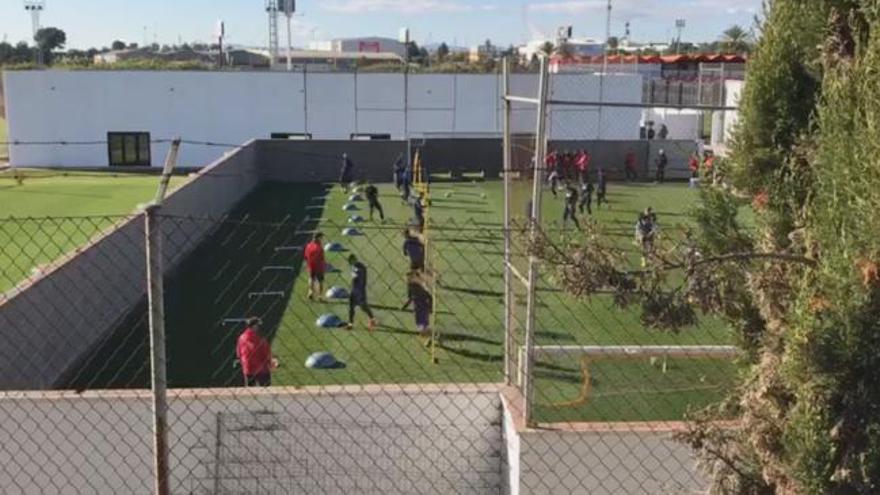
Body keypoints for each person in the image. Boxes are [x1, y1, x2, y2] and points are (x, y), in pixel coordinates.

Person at [235, 317, 276, 387]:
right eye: (257, 325)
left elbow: (239, 353)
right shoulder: (259, 338)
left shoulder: (241, 338)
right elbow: (265, 353)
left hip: (248, 368)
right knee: (266, 391)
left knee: (250, 392)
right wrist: (271, 363)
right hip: (261, 369)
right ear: (254, 326)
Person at [346, 254, 377, 331]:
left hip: (360, 291)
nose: (350, 263)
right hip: (354, 289)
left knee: (363, 306)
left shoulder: (361, 267)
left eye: (350, 261)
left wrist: (356, 274)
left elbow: (360, 276)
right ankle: (350, 324)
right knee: (351, 307)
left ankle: (372, 319)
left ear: (354, 260)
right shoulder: (354, 266)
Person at [402, 271, 433, 340]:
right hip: (417, 308)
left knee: (422, 325)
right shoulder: (410, 287)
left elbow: (429, 297)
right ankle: (430, 336)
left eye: (409, 278)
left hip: (423, 307)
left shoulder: (420, 288)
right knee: (421, 324)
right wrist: (405, 305)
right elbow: (410, 298)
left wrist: (430, 307)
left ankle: (429, 337)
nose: (407, 280)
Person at [303, 232, 325, 301]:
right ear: (318, 238)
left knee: (311, 278)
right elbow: (322, 258)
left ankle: (310, 292)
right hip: (319, 266)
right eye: (321, 237)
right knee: (320, 281)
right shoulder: (319, 247)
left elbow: (306, 256)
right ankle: (320, 296)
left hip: (311, 265)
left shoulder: (308, 245)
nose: (322, 239)